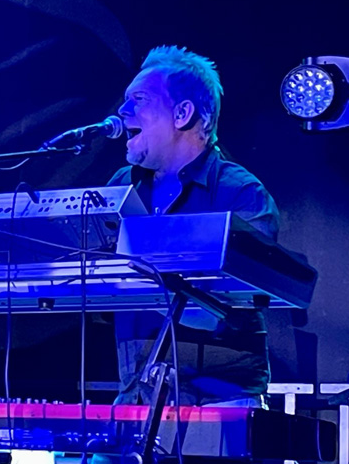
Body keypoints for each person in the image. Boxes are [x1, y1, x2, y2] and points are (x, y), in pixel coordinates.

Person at [108, 45, 279, 407]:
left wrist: (138, 277)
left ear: (182, 113)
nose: (122, 111)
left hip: (219, 401)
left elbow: (221, 311)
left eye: (139, 100)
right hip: (136, 396)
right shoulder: (121, 186)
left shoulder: (240, 193)